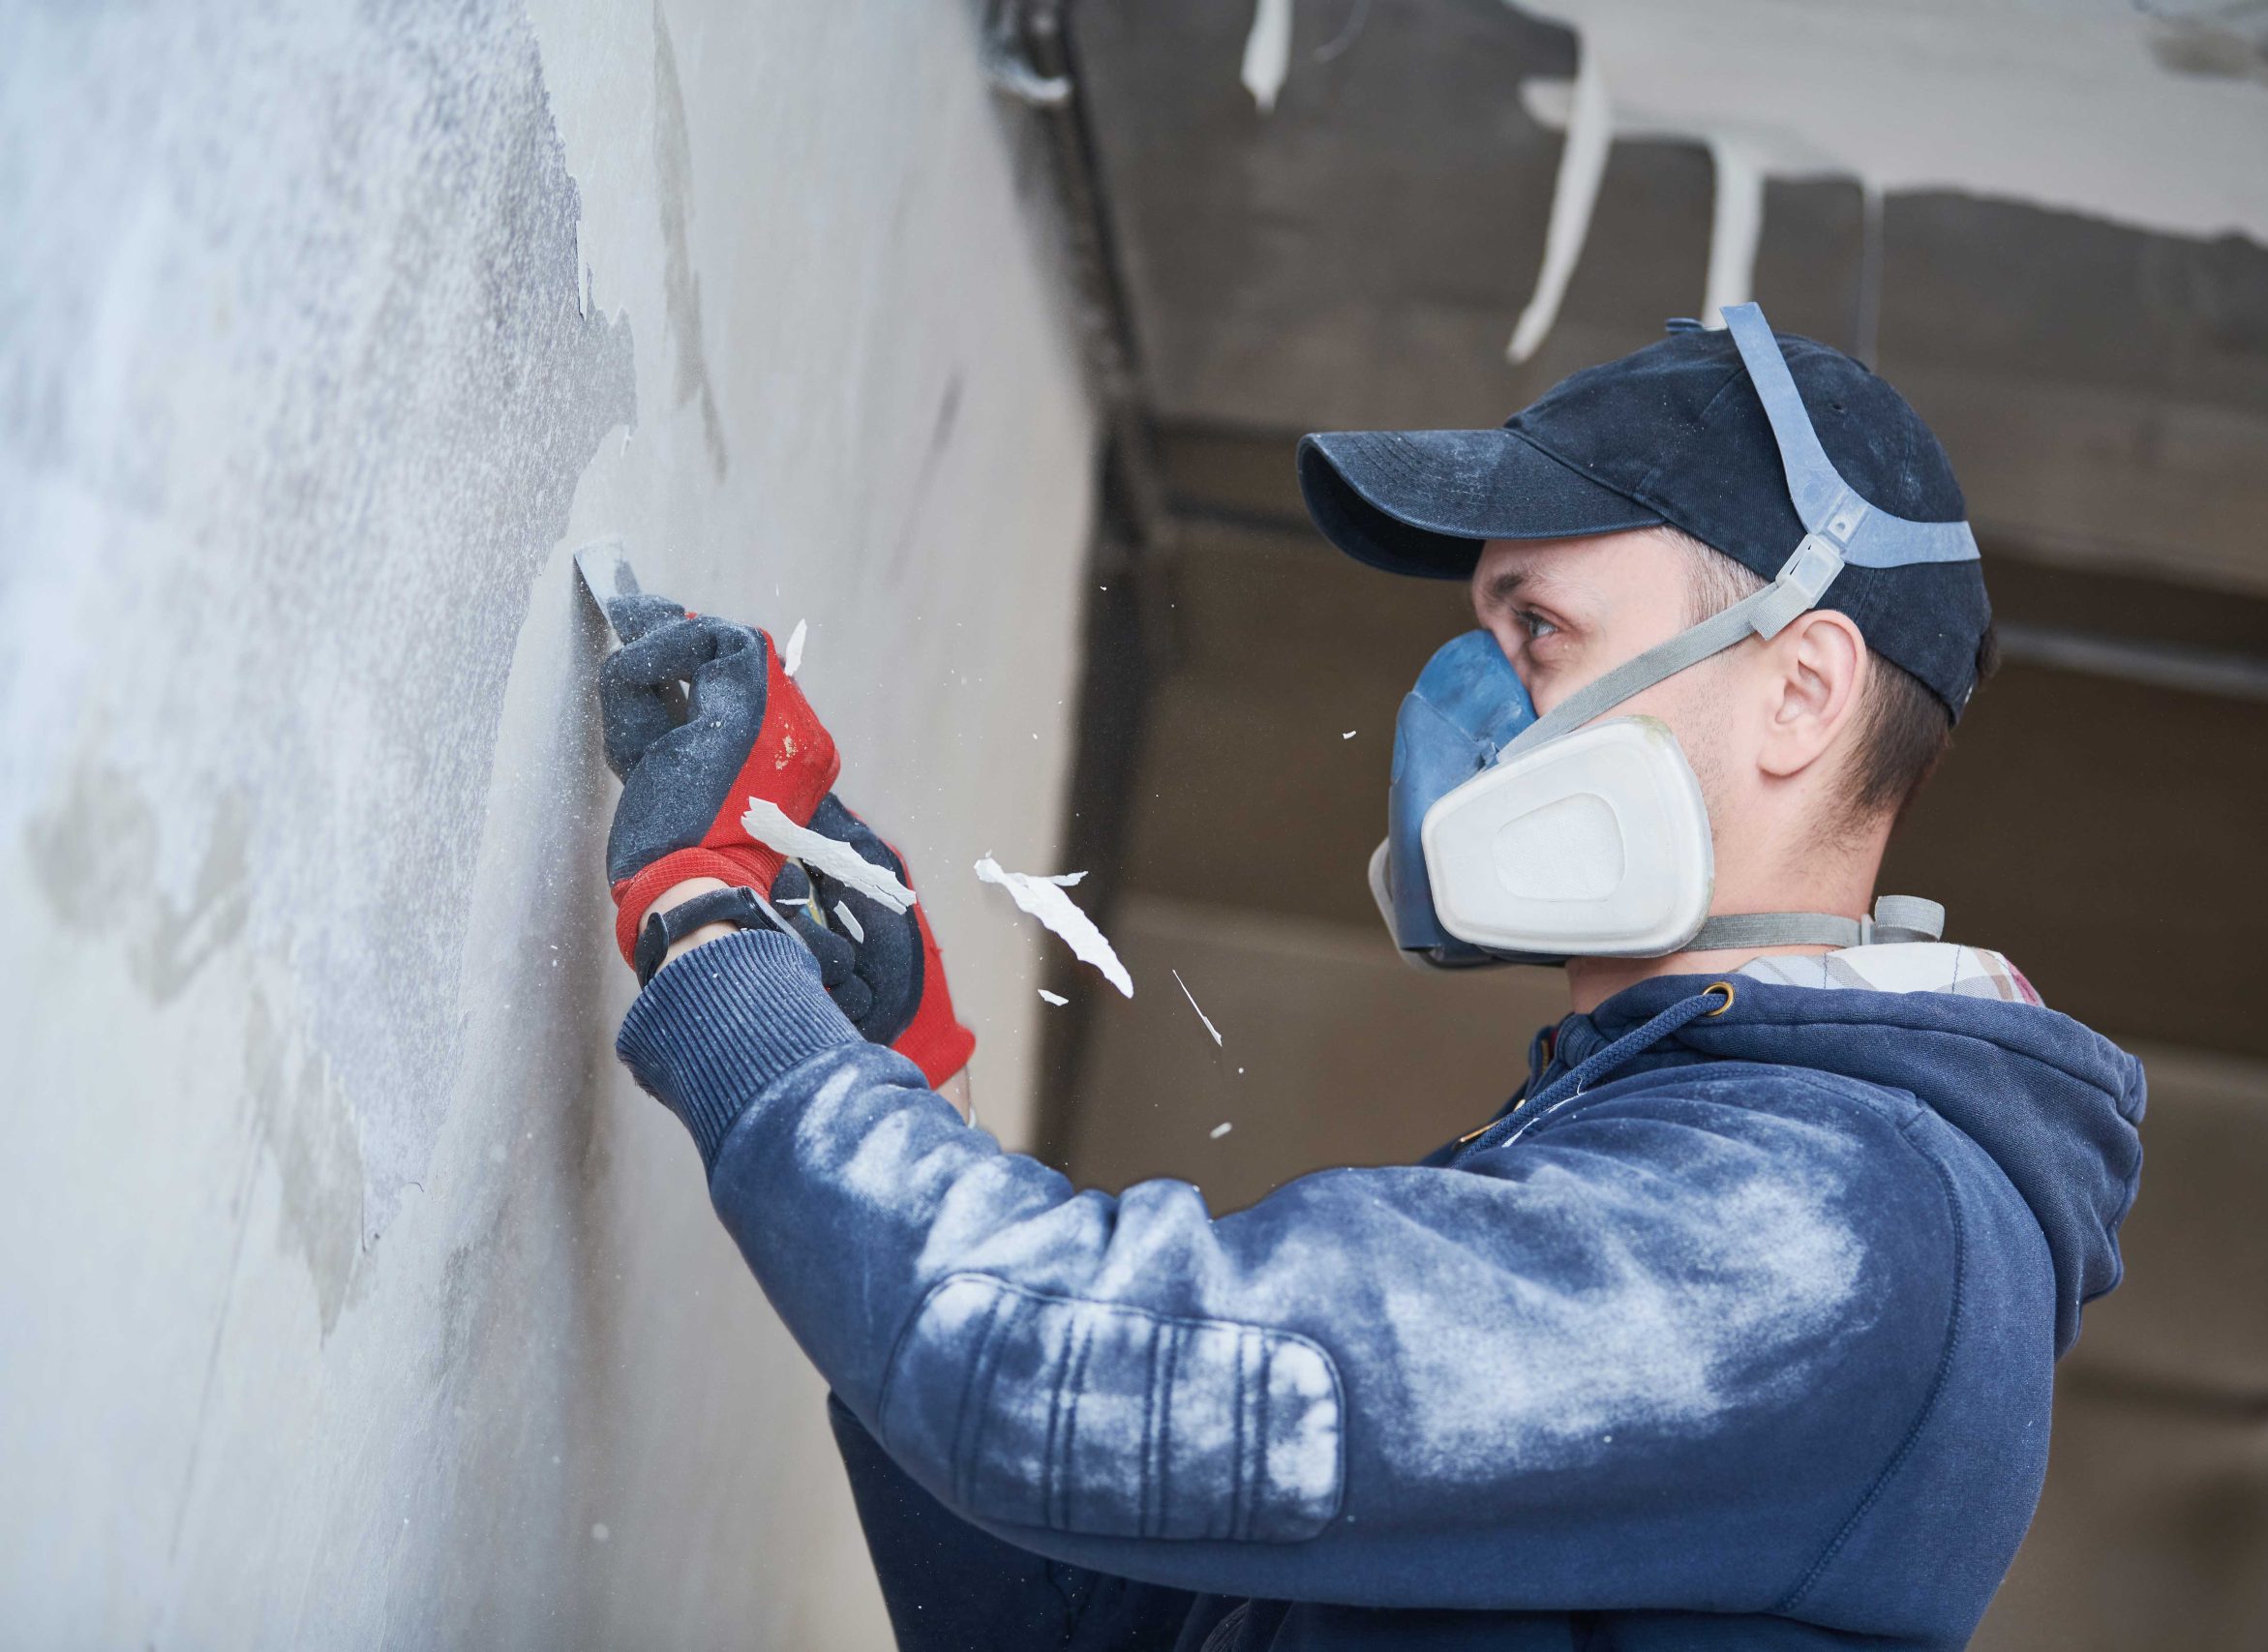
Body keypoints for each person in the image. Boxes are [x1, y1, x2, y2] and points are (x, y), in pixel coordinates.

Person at [595, 304, 2145, 1651]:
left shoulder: (1841, 1217)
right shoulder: (1695, 1141)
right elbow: (1093, 1619)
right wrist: (890, 1072)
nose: (1477, 717)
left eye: (1539, 633)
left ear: (1799, 690)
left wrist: (719, 954)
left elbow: (1052, 1384)